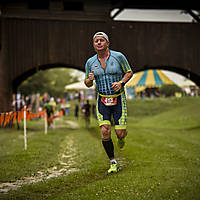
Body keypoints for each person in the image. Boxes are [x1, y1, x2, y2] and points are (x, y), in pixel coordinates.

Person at [84, 32, 133, 174]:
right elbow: (87, 83)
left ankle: (121, 137)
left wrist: (121, 83)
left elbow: (129, 72)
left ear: (107, 43)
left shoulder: (119, 56)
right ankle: (113, 162)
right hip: (102, 99)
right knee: (105, 131)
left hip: (118, 98)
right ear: (93, 44)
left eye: (102, 40)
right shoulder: (90, 62)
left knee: (120, 133)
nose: (99, 43)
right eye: (96, 41)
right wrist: (89, 80)